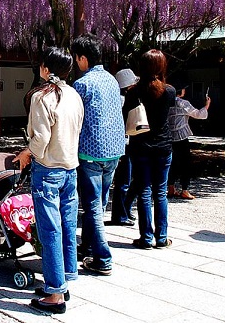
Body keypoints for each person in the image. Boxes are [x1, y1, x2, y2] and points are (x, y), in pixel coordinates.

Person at [14, 47, 84, 315]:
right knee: (67, 225)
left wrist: (26, 153)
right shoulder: (74, 95)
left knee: (49, 229)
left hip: (49, 169)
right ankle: (64, 279)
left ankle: (55, 294)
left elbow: (41, 139)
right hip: (70, 168)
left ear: (45, 69)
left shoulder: (41, 97)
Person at [71, 34, 126, 275]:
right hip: (114, 151)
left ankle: (102, 258)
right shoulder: (112, 80)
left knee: (92, 206)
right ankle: (88, 247)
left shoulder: (81, 84)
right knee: (100, 204)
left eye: (76, 58)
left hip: (91, 152)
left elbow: (74, 119)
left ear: (83, 58)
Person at [124, 50, 176, 249]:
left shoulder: (133, 92)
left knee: (144, 191)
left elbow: (126, 116)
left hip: (141, 146)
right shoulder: (169, 91)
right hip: (163, 146)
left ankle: (146, 238)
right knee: (160, 192)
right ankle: (162, 237)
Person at [168, 85, 210, 200]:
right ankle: (185, 190)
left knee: (172, 162)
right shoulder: (183, 103)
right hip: (181, 136)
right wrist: (206, 105)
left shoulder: (167, 102)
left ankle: (171, 187)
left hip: (169, 136)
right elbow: (197, 114)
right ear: (180, 91)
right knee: (185, 163)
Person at [108, 68, 139, 226]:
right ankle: (121, 215)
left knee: (123, 180)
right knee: (124, 181)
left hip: (118, 143)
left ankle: (122, 212)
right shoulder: (124, 100)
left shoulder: (116, 99)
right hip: (124, 143)